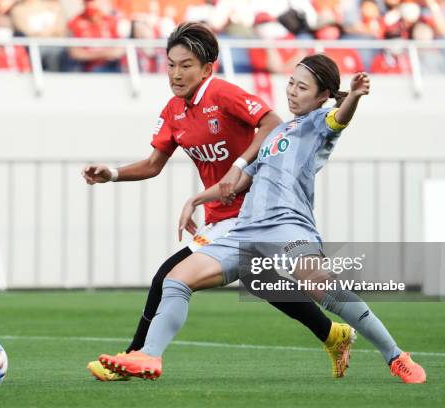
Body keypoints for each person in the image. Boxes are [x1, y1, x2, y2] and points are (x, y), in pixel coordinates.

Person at [99, 54, 427, 385]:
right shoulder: (276, 134)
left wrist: (354, 95)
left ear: (323, 95)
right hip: (246, 230)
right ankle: (148, 356)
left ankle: (396, 356)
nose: (293, 92)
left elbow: (341, 119)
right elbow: (240, 181)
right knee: (176, 278)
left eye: (302, 87)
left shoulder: (319, 123)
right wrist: (197, 199)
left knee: (321, 286)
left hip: (289, 226)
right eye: (291, 83)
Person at [84, 23, 354, 382]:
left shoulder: (223, 94)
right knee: (262, 281)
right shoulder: (173, 111)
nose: (176, 74)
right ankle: (333, 334)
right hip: (220, 214)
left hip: (251, 211)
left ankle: (134, 357)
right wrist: (113, 174)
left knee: (167, 276)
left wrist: (241, 165)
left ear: (207, 68)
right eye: (170, 65)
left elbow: (271, 121)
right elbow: (152, 164)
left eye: (186, 65)